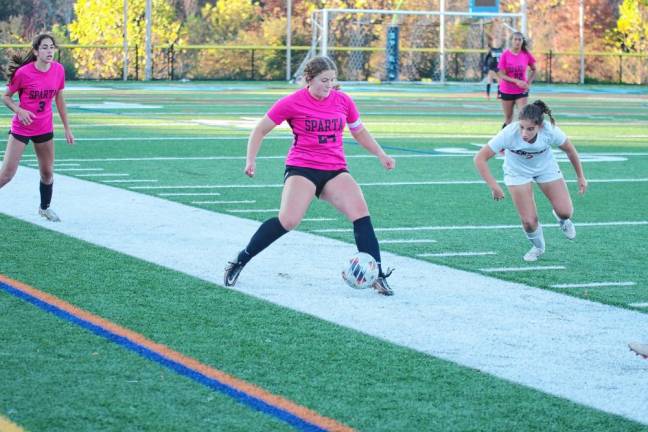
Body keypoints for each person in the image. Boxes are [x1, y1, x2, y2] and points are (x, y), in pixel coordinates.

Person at [224, 56, 397, 295]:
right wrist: (251, 160)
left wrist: (380, 154)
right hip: (302, 168)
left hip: (335, 169)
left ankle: (376, 274)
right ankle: (240, 260)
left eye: (332, 80)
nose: (329, 85)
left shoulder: (343, 101)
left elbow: (359, 131)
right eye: (324, 80)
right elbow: (260, 130)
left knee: (360, 212)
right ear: (309, 79)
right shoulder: (292, 102)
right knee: (289, 220)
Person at [473, 100, 587, 262]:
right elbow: (480, 158)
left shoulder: (550, 131)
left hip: (545, 168)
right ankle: (538, 247)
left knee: (565, 212)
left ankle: (561, 219)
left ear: (540, 126)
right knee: (528, 221)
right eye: (522, 127)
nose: (524, 133)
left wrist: (580, 176)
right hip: (517, 172)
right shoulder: (508, 133)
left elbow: (570, 150)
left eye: (530, 129)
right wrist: (494, 186)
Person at [1, 33, 74, 222]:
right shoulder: (23, 73)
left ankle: (44, 208)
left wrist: (67, 127)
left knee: (47, 172)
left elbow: (59, 98)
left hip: (44, 127)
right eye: (44, 47)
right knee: (7, 174)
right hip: (22, 128)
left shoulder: (58, 70)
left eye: (52, 47)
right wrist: (19, 110)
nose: (49, 51)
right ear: (36, 51)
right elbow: (6, 96)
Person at [497, 32, 536, 128]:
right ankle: (504, 141)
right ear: (511, 41)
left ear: (522, 41)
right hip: (507, 90)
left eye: (520, 39)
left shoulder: (526, 54)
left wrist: (528, 83)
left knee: (523, 117)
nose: (517, 42)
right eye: (515, 39)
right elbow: (501, 74)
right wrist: (516, 81)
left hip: (521, 91)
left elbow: (534, 70)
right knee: (508, 119)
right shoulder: (505, 54)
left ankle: (522, 141)